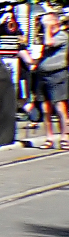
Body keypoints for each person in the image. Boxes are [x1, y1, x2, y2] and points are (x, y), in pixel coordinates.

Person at [33, 12, 67, 149]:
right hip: (43, 75)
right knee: (45, 108)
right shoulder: (46, 36)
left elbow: (49, 42)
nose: (43, 26)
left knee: (59, 107)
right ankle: (49, 137)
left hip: (57, 74)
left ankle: (65, 136)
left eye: (45, 23)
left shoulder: (62, 36)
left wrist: (48, 27)